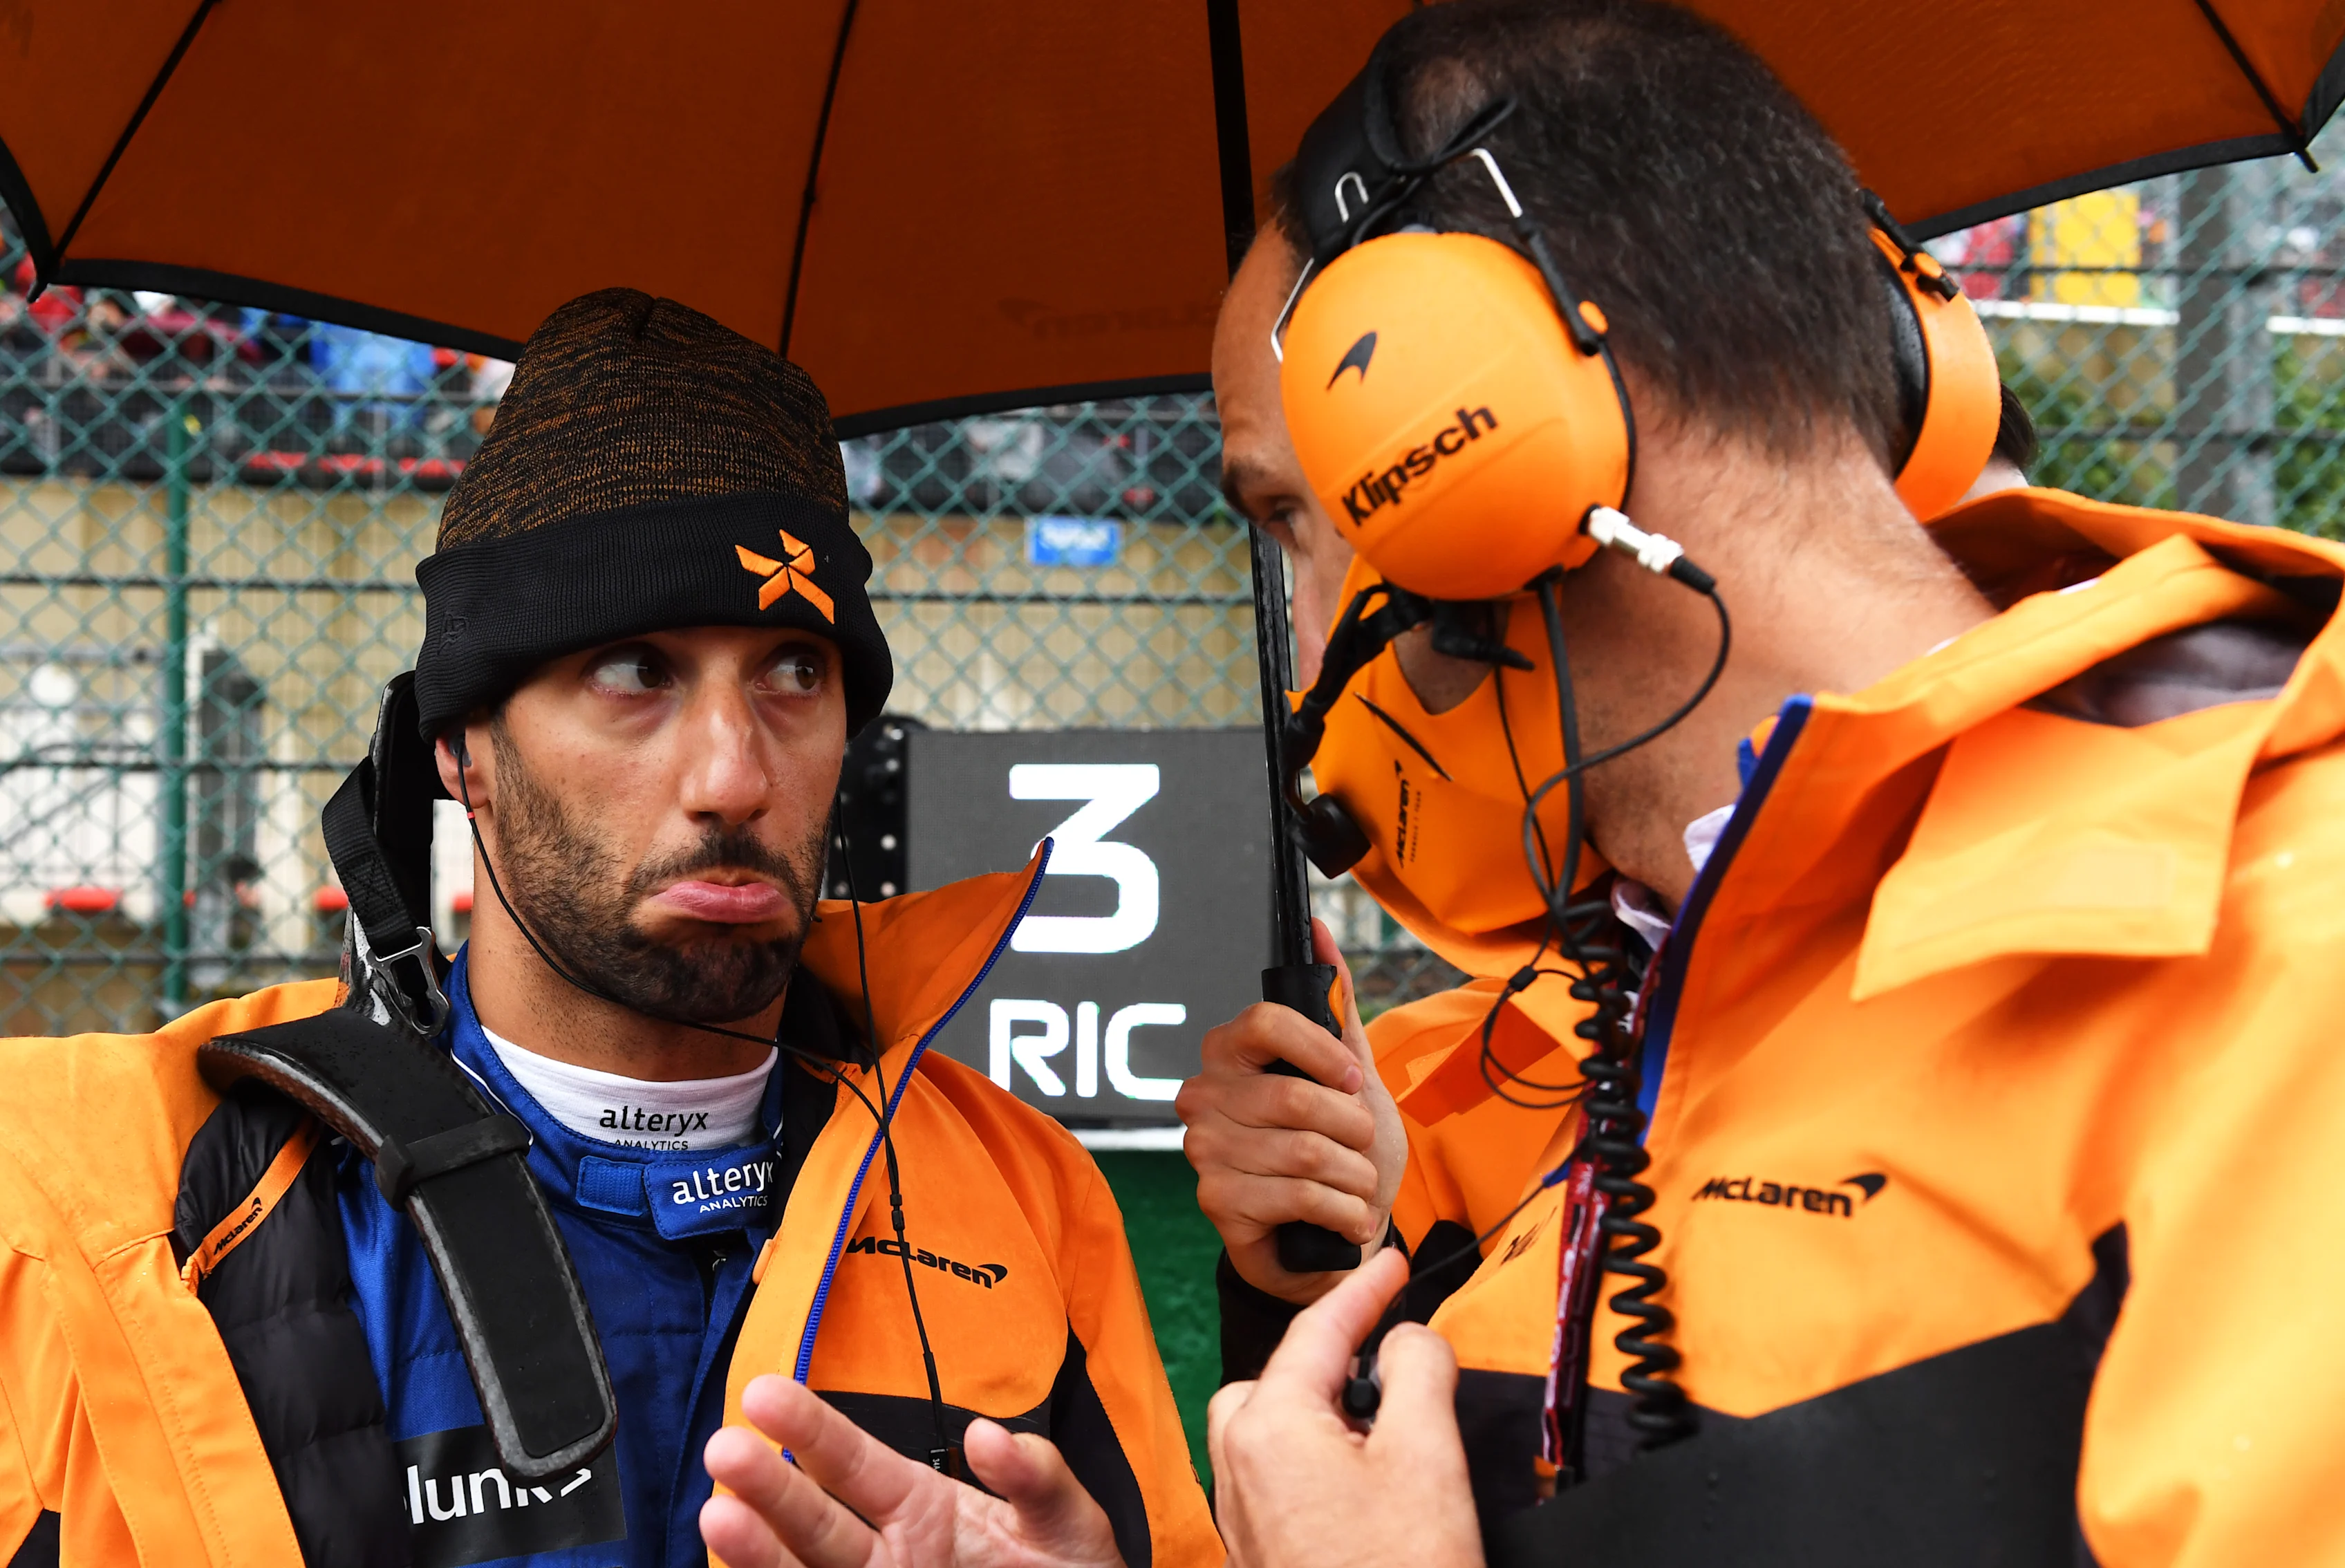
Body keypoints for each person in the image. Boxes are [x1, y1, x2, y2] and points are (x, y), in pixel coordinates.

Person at [1192, 1, 2345, 1563]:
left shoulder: (2292, 969)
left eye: (1287, 513)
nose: (1315, 638)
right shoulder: (1618, 1011)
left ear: (1453, 428)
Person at [0, 290, 1216, 1568]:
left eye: (794, 672)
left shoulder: (1022, 1192)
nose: (735, 775)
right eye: (637, 674)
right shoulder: (128, 1196)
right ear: (462, 752)